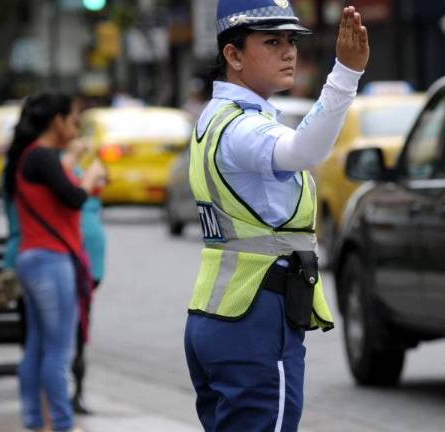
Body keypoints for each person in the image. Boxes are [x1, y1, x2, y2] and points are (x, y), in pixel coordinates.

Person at [182, 1, 369, 431]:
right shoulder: (241, 127)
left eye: (291, 41)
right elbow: (304, 151)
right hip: (255, 319)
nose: (288, 52)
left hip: (219, 318)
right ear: (233, 55)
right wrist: (345, 75)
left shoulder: (217, 118)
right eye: (271, 41)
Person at [2, 92, 105, 432]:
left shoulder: (33, 158)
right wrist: (90, 178)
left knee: (37, 346)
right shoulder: (41, 157)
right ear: (57, 121)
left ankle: (35, 421)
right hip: (50, 260)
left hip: (34, 260)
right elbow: (74, 198)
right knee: (57, 351)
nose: (77, 126)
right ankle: (62, 424)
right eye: (74, 119)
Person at [63, 137, 107, 415]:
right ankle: (60, 399)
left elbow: (104, 177)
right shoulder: (55, 163)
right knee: (65, 331)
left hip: (88, 261)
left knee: (79, 328)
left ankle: (75, 393)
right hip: (70, 255)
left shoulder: (82, 163)